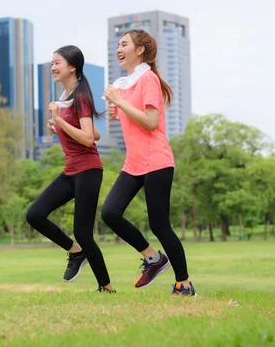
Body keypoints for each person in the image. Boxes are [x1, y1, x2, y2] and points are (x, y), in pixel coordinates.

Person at [102, 29, 196, 296]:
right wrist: (118, 110)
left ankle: (184, 284)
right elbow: (135, 120)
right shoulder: (129, 82)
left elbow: (152, 122)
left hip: (156, 160)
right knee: (110, 212)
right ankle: (154, 258)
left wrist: (120, 102)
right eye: (117, 45)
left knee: (159, 224)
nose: (118, 50)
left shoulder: (149, 79)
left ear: (139, 50)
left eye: (124, 45)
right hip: (134, 162)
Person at [26, 45, 115, 293]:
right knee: (35, 214)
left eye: (57, 63)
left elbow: (88, 139)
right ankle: (75, 252)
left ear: (72, 67)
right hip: (70, 171)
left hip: (88, 170)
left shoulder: (81, 97)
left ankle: (106, 288)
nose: (53, 67)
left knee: (83, 232)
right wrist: (61, 126)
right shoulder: (67, 98)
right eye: (52, 63)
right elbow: (95, 133)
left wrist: (61, 121)